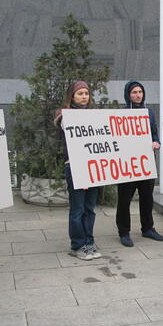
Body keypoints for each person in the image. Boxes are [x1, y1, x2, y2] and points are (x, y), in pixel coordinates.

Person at [54, 81, 101, 261]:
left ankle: (89, 241)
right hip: (75, 167)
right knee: (78, 209)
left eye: (86, 93)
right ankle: (77, 245)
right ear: (72, 96)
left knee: (90, 208)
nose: (84, 97)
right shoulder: (66, 116)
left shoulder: (94, 115)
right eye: (80, 93)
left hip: (94, 168)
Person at [116, 80, 163, 247]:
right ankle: (124, 232)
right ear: (128, 95)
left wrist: (156, 143)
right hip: (127, 165)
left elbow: (155, 134)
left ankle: (148, 228)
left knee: (147, 198)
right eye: (134, 92)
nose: (138, 95)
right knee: (124, 200)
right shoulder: (121, 114)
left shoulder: (149, 113)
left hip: (146, 163)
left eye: (140, 92)